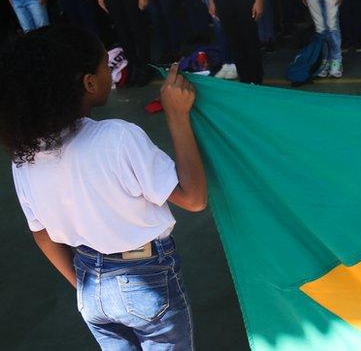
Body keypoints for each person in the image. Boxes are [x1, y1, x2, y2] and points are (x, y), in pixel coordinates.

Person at [2, 26, 207, 350]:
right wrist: (177, 116)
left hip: (89, 285)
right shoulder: (116, 137)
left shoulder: (23, 161)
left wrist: (85, 285)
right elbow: (194, 198)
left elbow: (41, 233)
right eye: (105, 65)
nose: (109, 70)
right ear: (89, 82)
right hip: (146, 276)